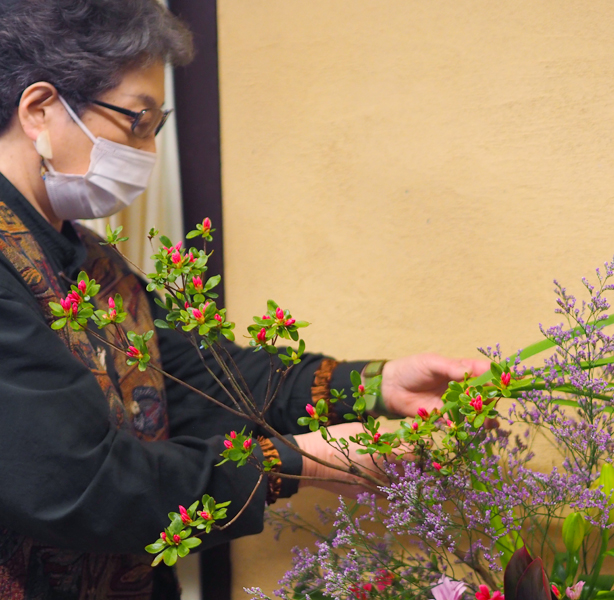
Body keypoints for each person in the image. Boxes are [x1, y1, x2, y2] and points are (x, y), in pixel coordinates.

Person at [0, 1, 489, 598]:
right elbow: (77, 483)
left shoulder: (94, 264)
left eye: (158, 127)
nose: (148, 151)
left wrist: (377, 384)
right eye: (136, 122)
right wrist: (302, 462)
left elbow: (197, 383)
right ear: (41, 111)